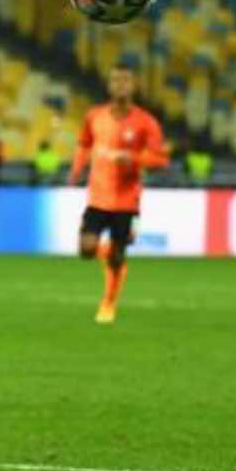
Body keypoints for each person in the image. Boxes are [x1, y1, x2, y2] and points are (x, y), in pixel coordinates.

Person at [68, 64, 168, 325]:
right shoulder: (94, 116)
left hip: (127, 200)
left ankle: (108, 303)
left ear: (134, 86)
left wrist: (134, 159)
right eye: (116, 80)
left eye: (126, 80)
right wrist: (76, 169)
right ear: (109, 85)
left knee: (117, 257)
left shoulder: (146, 122)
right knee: (86, 249)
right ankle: (111, 252)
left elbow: (160, 158)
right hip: (98, 197)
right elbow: (84, 144)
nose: (121, 85)